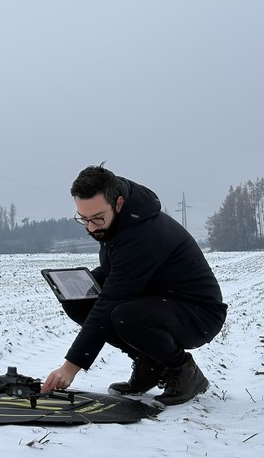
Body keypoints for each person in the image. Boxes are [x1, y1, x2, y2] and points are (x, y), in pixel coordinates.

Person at [41, 164, 227, 405]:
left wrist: (70, 367)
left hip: (198, 314)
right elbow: (118, 271)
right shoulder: (119, 221)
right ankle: (149, 364)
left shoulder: (141, 234)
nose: (91, 227)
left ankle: (184, 371)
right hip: (160, 301)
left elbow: (111, 299)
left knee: (123, 315)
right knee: (79, 303)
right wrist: (86, 280)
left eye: (97, 218)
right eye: (84, 219)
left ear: (118, 203)